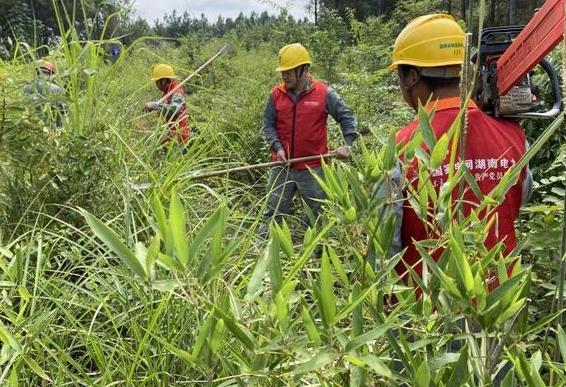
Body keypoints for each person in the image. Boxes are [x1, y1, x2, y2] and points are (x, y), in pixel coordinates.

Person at [390, 14, 532, 293]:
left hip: (426, 315)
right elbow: (522, 196)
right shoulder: (515, 137)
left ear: (411, 76)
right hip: (497, 303)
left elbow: (387, 238)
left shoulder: (402, 147)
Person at [260, 43, 358, 236]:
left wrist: (348, 145)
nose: (284, 76)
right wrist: (277, 147)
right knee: (272, 213)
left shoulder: (324, 93)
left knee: (317, 216)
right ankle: (263, 252)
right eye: (283, 71)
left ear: (304, 70)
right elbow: (268, 125)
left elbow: (347, 118)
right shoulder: (276, 95)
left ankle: (318, 256)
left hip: (313, 168)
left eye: (289, 71)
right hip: (282, 167)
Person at [143, 63, 190, 143]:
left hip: (180, 137)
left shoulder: (176, 92)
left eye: (158, 81)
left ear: (166, 79)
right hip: (171, 134)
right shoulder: (167, 91)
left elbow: (175, 109)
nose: (156, 84)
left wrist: (155, 105)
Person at [23, 60, 65, 125]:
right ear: (50, 74)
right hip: (51, 125)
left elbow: (24, 106)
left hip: (32, 124)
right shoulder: (56, 89)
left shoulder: (26, 87)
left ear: (37, 73)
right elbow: (63, 110)